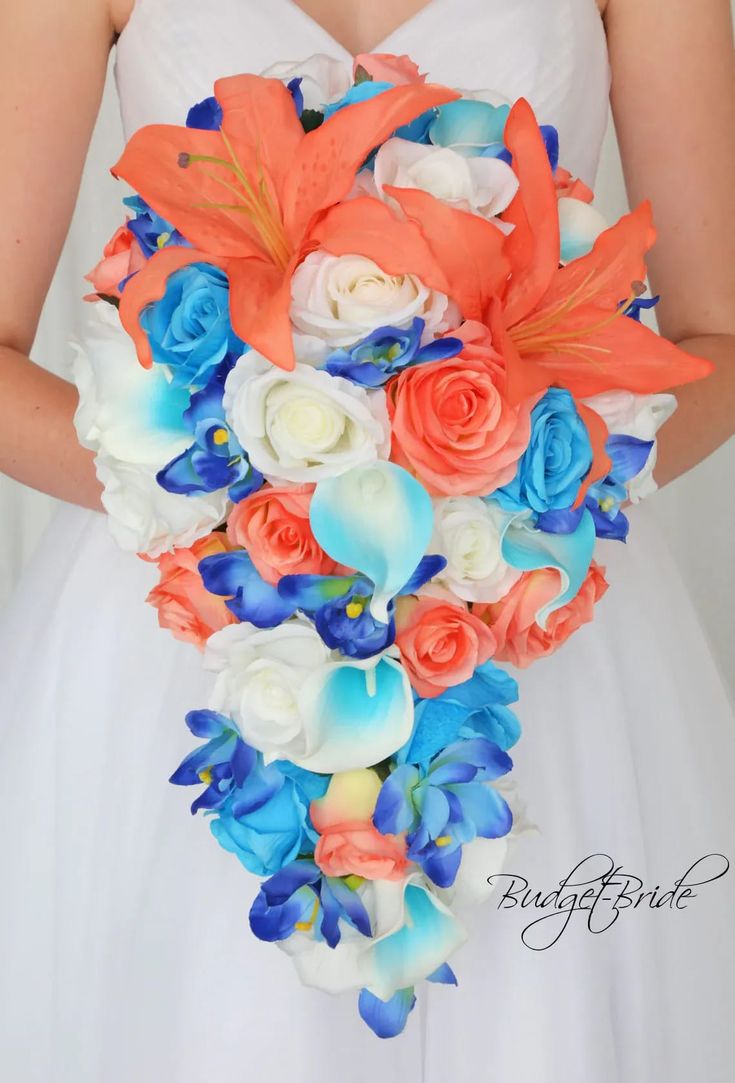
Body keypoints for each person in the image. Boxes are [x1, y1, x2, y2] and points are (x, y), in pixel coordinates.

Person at [0, 1, 733, 1080]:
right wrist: (247, 508)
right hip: (187, 626)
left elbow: (714, 338)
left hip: (527, 620)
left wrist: (506, 508)